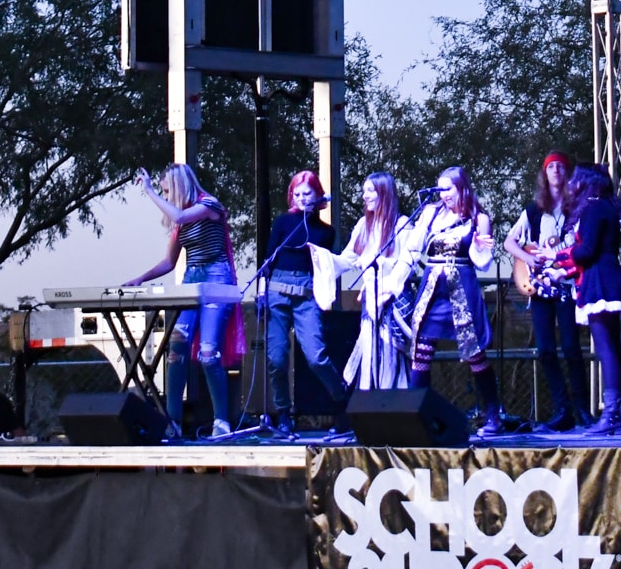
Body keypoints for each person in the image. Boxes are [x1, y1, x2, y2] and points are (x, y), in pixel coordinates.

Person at [127, 163, 239, 440]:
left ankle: (221, 420)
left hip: (216, 277)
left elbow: (177, 215)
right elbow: (169, 261)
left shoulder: (209, 205)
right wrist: (140, 278)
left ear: (177, 187)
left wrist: (150, 192)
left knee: (208, 352)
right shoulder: (183, 222)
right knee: (175, 348)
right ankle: (173, 422)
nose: (165, 196)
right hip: (191, 279)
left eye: (167, 191)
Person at [395, 166, 505, 438]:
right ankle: (416, 418)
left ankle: (493, 414)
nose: (443, 194)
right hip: (433, 287)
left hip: (461, 289)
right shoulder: (431, 214)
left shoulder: (478, 219)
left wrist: (481, 248)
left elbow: (482, 262)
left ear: (462, 188)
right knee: (420, 352)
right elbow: (413, 248)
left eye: (449, 188)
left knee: (474, 353)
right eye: (440, 188)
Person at [502, 151, 589, 431]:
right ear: (544, 173)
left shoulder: (577, 207)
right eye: (550, 167)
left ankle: (582, 409)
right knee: (546, 350)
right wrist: (529, 259)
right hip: (541, 289)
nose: (555, 171)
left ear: (567, 173)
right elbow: (509, 242)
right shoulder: (534, 210)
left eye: (560, 167)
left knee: (572, 349)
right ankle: (561, 408)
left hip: (566, 285)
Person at [260, 170, 349, 432]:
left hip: (306, 293)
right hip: (277, 290)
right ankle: (283, 412)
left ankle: (341, 399)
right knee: (276, 358)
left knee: (316, 356)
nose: (301, 198)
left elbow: (326, 267)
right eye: (297, 194)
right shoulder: (283, 223)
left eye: (307, 193)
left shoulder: (326, 231)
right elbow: (268, 259)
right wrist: (262, 292)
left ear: (318, 195)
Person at [565, 163, 621, 435]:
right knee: (614, 349)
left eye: (575, 180)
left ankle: (612, 414)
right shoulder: (606, 206)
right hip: (608, 275)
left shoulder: (593, 207)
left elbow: (587, 250)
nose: (571, 185)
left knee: (607, 348)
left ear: (586, 183)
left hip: (600, 279)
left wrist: (565, 255)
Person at [338, 173, 411, 390]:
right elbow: (347, 258)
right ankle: (374, 410)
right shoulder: (363, 225)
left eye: (370, 191)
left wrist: (387, 288)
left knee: (393, 356)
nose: (364, 196)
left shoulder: (402, 224)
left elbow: (407, 264)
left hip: (394, 300)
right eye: (364, 191)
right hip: (371, 301)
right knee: (371, 353)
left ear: (384, 193)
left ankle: (398, 410)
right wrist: (322, 258)